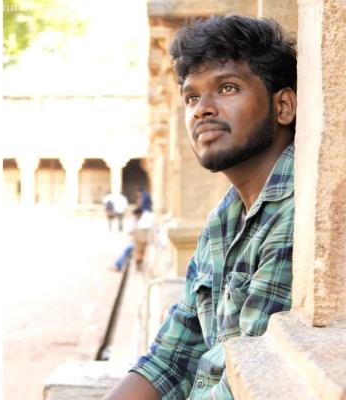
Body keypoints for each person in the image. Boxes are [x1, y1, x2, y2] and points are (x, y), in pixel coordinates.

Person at [103, 15, 296, 400]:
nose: (202, 109)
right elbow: (171, 359)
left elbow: (251, 381)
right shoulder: (224, 219)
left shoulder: (295, 212)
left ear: (283, 106)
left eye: (227, 87)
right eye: (191, 97)